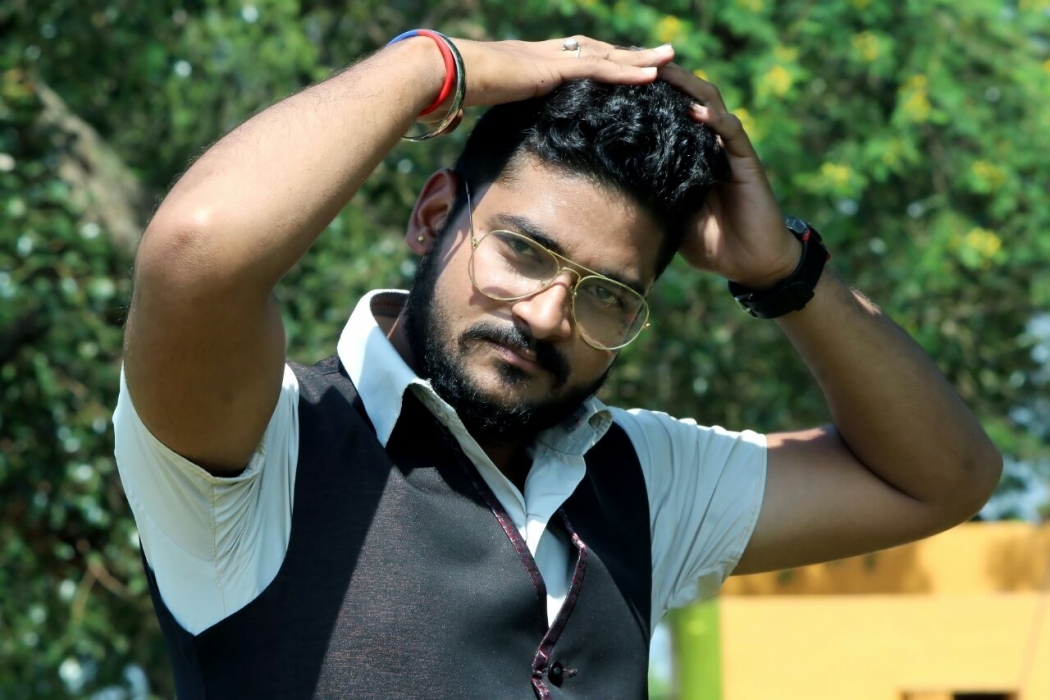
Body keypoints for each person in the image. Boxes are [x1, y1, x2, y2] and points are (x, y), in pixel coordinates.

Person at [113, 32, 1002, 698]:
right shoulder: (264, 454)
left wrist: (786, 275)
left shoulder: (639, 481)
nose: (546, 316)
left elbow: (944, 478)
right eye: (522, 251)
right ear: (433, 218)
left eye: (607, 295)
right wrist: (431, 66)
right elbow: (197, 252)